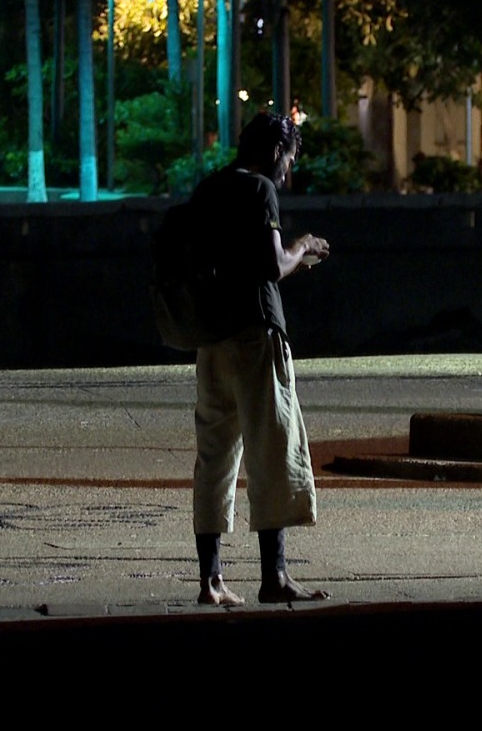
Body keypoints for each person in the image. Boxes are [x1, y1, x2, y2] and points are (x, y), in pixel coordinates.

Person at [188, 112, 330, 606]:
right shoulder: (259, 191)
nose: (287, 173)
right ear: (274, 152)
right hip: (255, 333)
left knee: (214, 458)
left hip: (212, 339)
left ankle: (211, 580)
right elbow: (272, 265)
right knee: (272, 452)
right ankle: (275, 577)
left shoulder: (209, 188)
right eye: (288, 160)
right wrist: (303, 246)